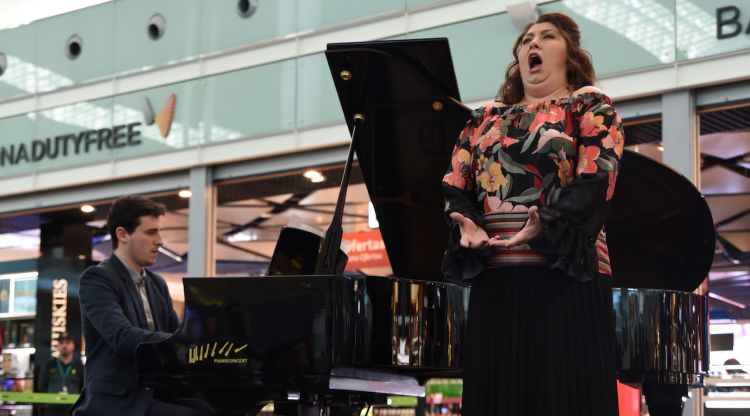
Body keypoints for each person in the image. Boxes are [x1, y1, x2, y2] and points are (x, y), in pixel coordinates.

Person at [441, 12, 623, 415]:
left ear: (569, 54)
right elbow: (457, 181)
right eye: (526, 40)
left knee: (564, 393)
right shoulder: (482, 119)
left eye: (547, 37)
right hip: (498, 279)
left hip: (563, 273)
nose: (533, 44)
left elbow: (599, 177)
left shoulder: (589, 106)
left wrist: (547, 223)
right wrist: (466, 221)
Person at [71, 196, 213, 416]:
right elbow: (122, 336)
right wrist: (179, 342)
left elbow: (176, 338)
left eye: (159, 232)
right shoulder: (97, 279)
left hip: (153, 393)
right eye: (150, 232)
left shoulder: (157, 284)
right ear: (122, 234)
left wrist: (210, 350)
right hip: (116, 401)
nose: (160, 240)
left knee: (213, 408)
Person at [38, 333, 84, 416]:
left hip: (74, 409)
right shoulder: (49, 365)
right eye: (61, 343)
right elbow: (42, 385)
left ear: (73, 345)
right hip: (52, 409)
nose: (64, 345)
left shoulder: (80, 366)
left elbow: (84, 387)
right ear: (58, 346)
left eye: (68, 343)